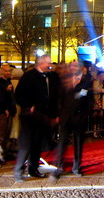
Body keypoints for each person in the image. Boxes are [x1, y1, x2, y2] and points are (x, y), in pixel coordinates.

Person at [13, 54, 58, 182]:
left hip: (44, 115)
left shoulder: (50, 76)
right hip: (30, 116)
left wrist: (54, 114)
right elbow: (19, 94)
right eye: (47, 62)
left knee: (38, 143)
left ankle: (33, 168)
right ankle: (19, 169)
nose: (49, 65)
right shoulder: (29, 76)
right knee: (26, 143)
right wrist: (28, 105)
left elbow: (53, 96)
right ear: (40, 63)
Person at [51, 62, 91, 179]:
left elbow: (88, 100)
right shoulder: (64, 82)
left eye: (75, 67)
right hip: (66, 117)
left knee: (78, 143)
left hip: (79, 117)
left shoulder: (86, 83)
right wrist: (59, 114)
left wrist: (85, 115)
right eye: (71, 67)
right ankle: (59, 166)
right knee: (62, 142)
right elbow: (59, 100)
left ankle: (76, 166)